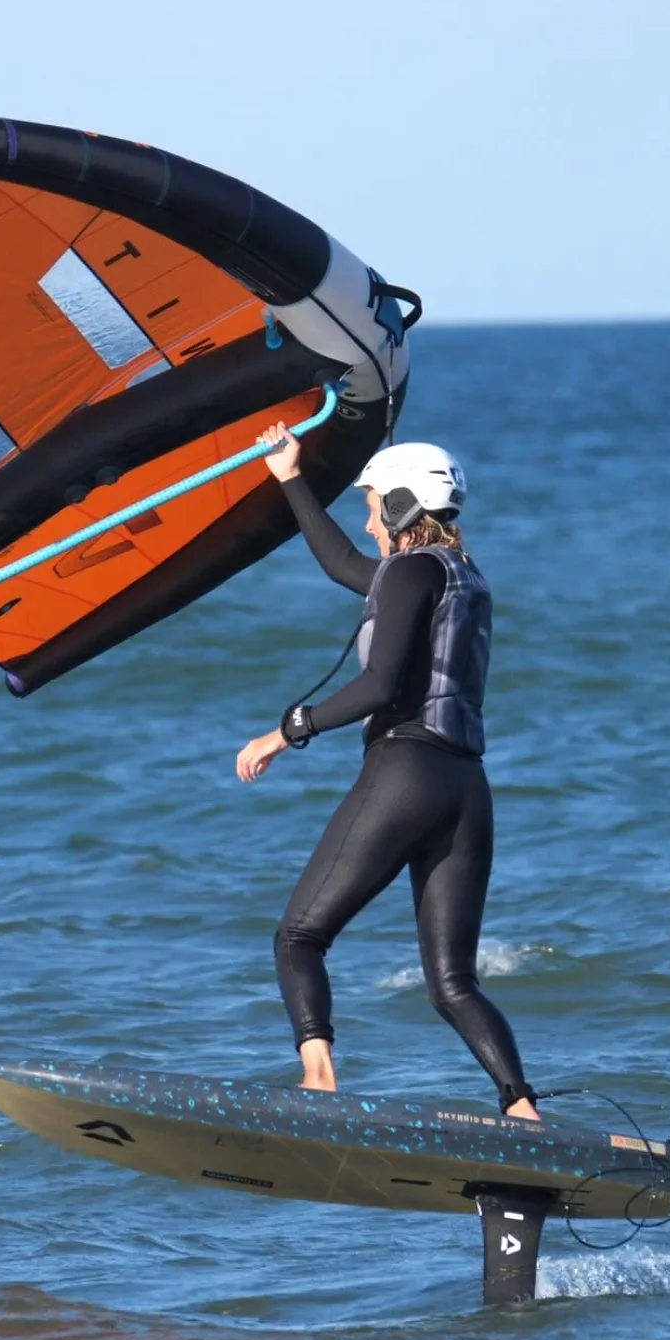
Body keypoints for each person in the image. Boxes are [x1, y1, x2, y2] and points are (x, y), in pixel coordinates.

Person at [236, 429, 539, 1119]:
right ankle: (522, 1108)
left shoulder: (407, 573)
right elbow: (341, 560)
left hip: (407, 770)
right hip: (467, 789)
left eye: (374, 505)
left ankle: (319, 1082)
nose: (369, 521)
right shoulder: (464, 578)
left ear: (404, 506)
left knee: (299, 938)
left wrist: (286, 731)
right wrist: (289, 478)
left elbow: (376, 686)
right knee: (455, 983)